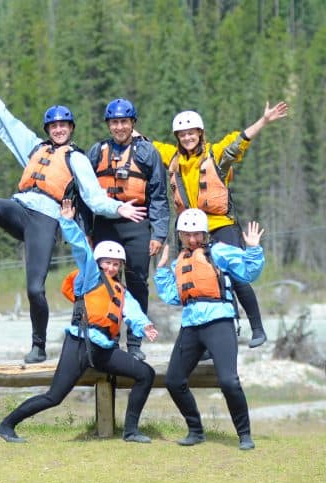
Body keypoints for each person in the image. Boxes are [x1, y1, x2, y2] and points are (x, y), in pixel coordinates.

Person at [0, 60, 147, 364]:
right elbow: (8, 124)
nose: (58, 129)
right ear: (48, 130)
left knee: (35, 288)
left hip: (46, 221)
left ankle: (39, 346)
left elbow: (95, 197)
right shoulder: (35, 149)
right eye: (54, 126)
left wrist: (119, 207)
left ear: (70, 129)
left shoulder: (77, 159)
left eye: (64, 125)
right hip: (21, 209)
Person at [0, 199, 158, 443]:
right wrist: (68, 222)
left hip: (104, 349)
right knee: (55, 396)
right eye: (107, 262)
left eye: (116, 264)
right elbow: (82, 248)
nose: (111, 267)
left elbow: (132, 311)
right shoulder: (91, 276)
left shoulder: (121, 290)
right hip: (80, 343)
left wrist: (143, 325)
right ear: (99, 262)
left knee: (146, 374)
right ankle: (7, 425)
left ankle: (131, 431)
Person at [152, 102, 287, 348]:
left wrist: (264, 120)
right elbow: (146, 143)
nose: (187, 137)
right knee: (196, 279)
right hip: (191, 231)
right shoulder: (172, 158)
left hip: (219, 224)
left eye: (192, 133)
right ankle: (215, 335)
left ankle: (256, 327)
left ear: (200, 134)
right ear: (178, 138)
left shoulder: (216, 155)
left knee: (234, 276)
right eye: (182, 135)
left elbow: (240, 140)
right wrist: (128, 129)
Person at [155, 208, 265, 450]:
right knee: (173, 380)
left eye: (197, 235)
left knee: (229, 381)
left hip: (219, 322)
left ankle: (244, 435)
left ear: (205, 234)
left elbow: (249, 272)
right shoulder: (179, 263)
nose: (192, 240)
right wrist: (162, 271)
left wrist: (254, 249)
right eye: (187, 235)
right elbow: (174, 297)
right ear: (180, 236)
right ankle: (196, 430)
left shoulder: (221, 252)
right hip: (191, 326)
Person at [86, 98, 169, 362]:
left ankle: (134, 342)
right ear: (109, 125)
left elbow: (158, 196)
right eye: (114, 122)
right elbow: (86, 195)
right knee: (104, 281)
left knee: (136, 282)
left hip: (137, 225)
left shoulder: (147, 152)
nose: (119, 127)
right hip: (105, 224)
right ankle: (106, 337)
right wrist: (87, 231)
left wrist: (158, 234)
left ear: (132, 123)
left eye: (124, 122)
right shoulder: (96, 152)